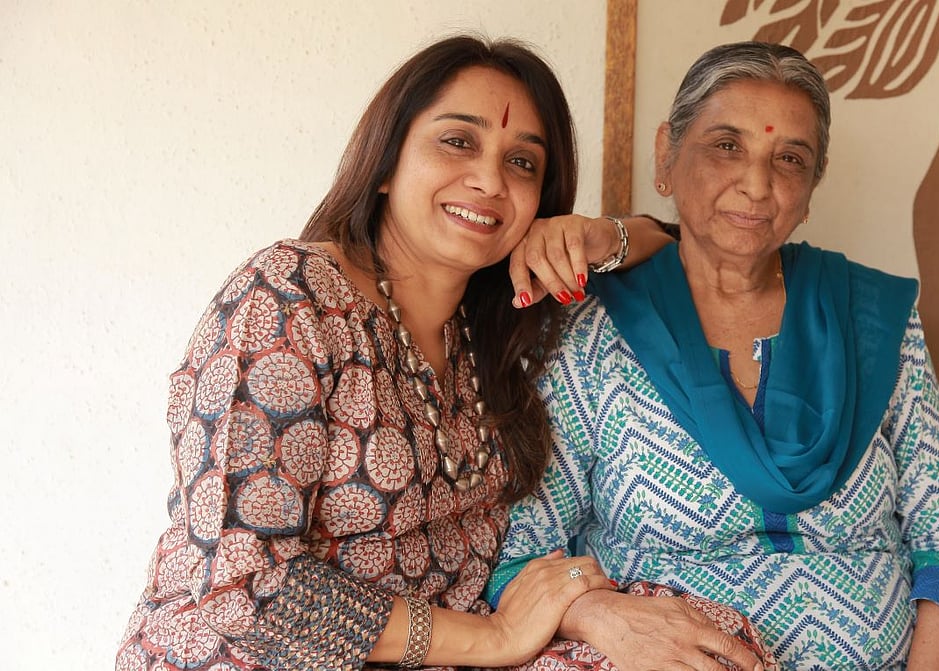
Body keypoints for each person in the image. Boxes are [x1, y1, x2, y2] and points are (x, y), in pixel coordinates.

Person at [114, 34, 738, 670]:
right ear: (386, 164)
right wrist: (498, 639)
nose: (491, 180)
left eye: (523, 163)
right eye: (458, 141)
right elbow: (244, 589)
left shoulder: (495, 321)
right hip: (256, 658)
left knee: (696, 642)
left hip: (445, 658)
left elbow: (668, 242)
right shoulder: (289, 300)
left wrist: (595, 232)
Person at [488, 41, 939, 670]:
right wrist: (608, 621)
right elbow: (521, 549)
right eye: (726, 146)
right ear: (666, 157)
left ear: (811, 189)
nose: (757, 185)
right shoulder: (587, 330)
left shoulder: (873, 320)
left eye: (789, 159)